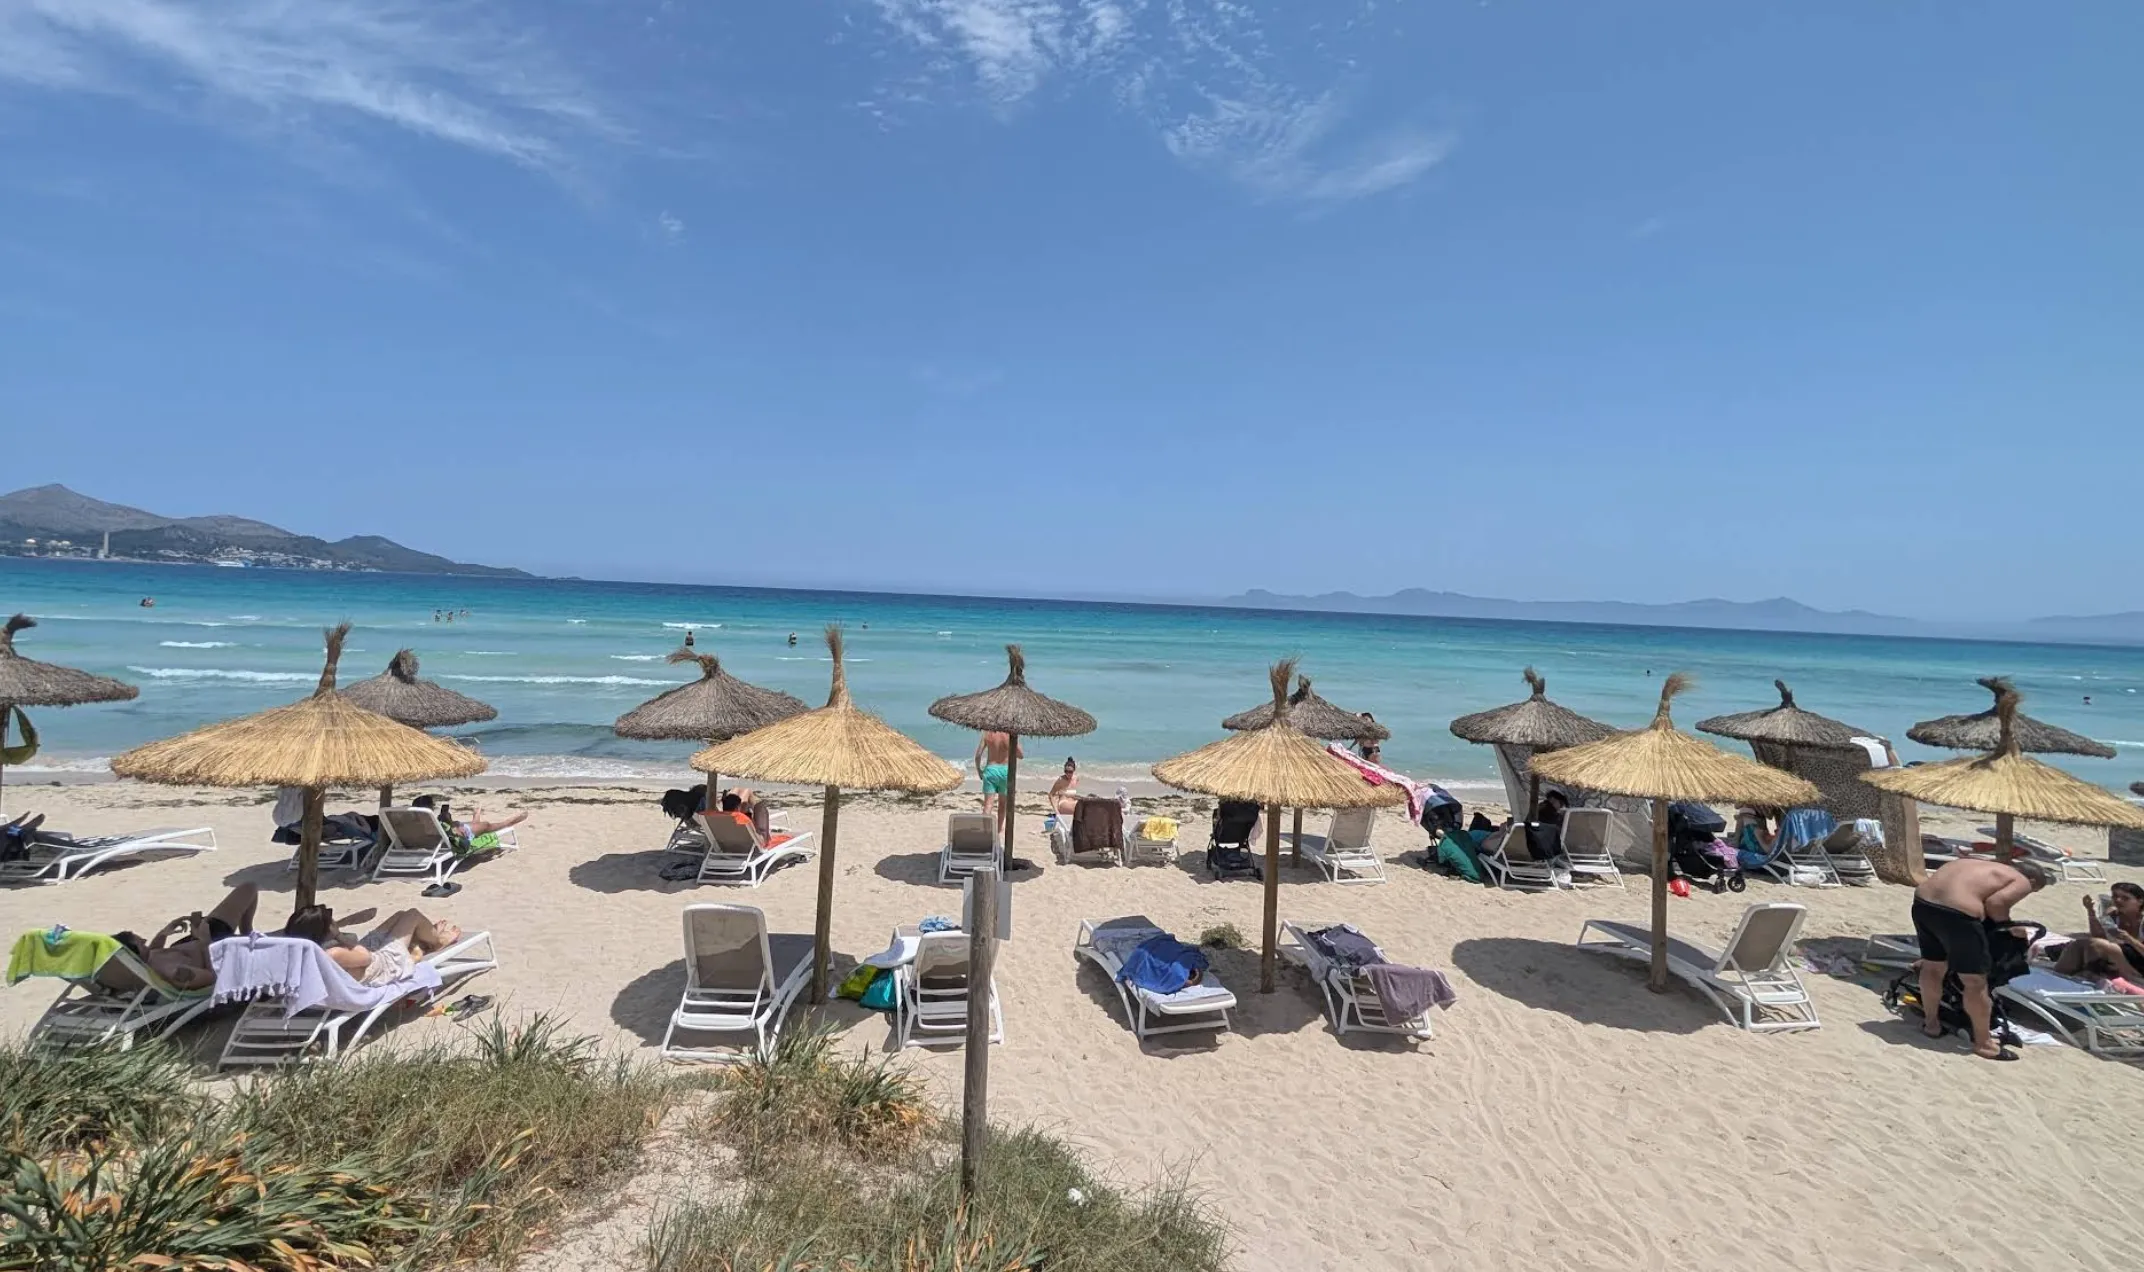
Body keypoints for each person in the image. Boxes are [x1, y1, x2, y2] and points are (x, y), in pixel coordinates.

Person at [1913, 856, 2053, 1060]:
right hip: (1957, 914)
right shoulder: (2020, 880)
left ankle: (1931, 1025)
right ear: (2032, 881)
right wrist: (2009, 927)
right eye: (2032, 891)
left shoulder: (1977, 863)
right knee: (1975, 981)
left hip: (1923, 903)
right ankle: (1984, 1044)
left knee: (1933, 967)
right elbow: (1996, 904)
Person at [100, 884, 260, 993]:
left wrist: (164, 933)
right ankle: (248, 936)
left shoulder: (144, 965)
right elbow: (213, 977)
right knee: (249, 888)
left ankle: (247, 936)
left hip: (197, 941)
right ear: (135, 955)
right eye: (139, 942)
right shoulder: (176, 973)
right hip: (215, 946)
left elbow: (155, 954)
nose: (143, 940)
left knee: (248, 889)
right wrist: (205, 942)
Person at [294, 907, 460, 988]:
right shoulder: (333, 954)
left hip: (364, 960)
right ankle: (437, 940)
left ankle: (424, 937)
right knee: (412, 914)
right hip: (383, 965)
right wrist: (338, 935)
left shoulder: (301, 952)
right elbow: (365, 957)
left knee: (400, 915)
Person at [2055, 881, 2144, 983]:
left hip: (2139, 964)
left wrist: (2129, 939)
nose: (2118, 900)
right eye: (2115, 896)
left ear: (2140, 901)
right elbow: (2098, 937)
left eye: (2125, 898)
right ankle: (2057, 976)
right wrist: (2090, 912)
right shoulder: (2113, 914)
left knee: (2099, 945)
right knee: (2079, 944)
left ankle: (2091, 976)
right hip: (2120, 958)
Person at [411, 795, 525, 855]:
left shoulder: (411, 823)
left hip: (437, 843)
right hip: (453, 841)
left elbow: (436, 833)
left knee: (449, 818)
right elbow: (456, 836)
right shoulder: (431, 822)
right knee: (486, 825)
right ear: (430, 807)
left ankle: (476, 818)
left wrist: (449, 822)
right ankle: (508, 822)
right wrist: (455, 826)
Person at [975, 729, 1021, 821]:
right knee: (1002, 804)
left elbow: (978, 755)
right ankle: (999, 831)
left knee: (988, 805)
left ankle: (986, 831)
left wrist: (979, 770)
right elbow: (1020, 755)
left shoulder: (987, 733)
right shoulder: (1009, 734)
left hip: (991, 770)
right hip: (1005, 771)